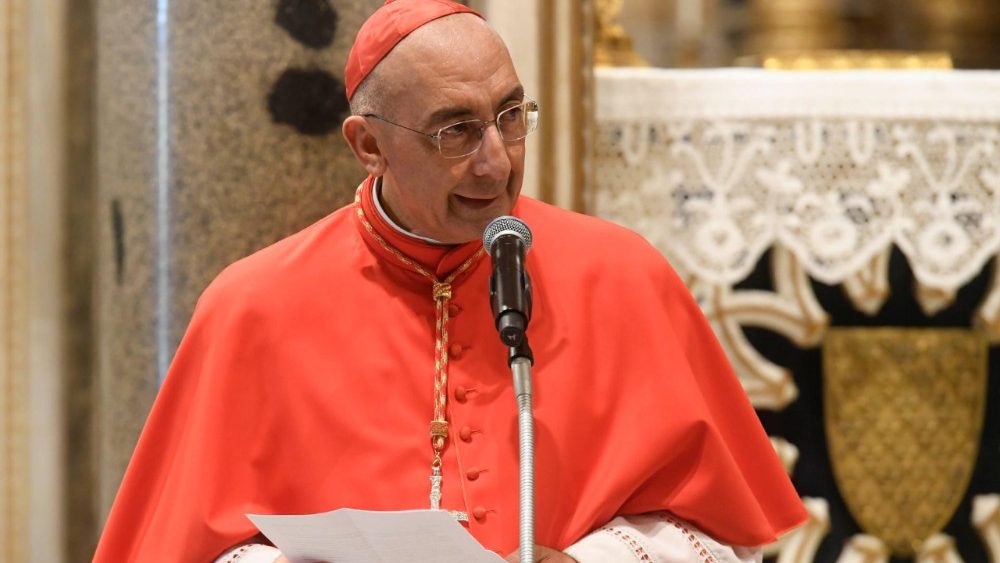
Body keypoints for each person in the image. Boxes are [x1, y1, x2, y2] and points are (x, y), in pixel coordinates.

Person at [93, 1, 808, 561]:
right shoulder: (251, 308)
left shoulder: (622, 275)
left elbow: (728, 538)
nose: (497, 162)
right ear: (367, 144)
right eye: (455, 130)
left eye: (509, 115)